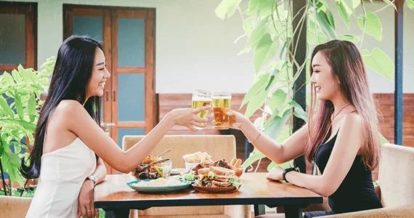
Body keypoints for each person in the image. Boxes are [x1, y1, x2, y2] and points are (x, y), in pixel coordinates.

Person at [21, 35, 208, 218]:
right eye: (101, 68)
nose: (107, 75)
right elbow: (124, 163)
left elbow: (100, 164)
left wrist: (90, 181)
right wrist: (171, 119)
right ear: (80, 71)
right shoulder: (69, 109)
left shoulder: (75, 110)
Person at [231, 40, 382, 216]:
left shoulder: (353, 121)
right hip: (338, 214)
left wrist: (287, 175)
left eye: (317, 71)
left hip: (360, 215)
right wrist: (243, 124)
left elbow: (326, 186)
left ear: (341, 74)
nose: (312, 79)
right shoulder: (328, 119)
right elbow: (280, 152)